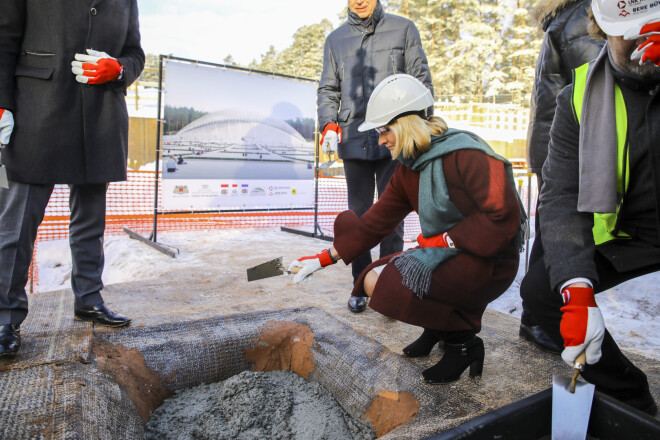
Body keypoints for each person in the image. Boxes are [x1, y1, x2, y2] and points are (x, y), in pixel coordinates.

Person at [291, 75, 525, 384]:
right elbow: (374, 224)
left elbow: (503, 216)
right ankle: (439, 329)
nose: (381, 140)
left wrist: (445, 238)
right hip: (451, 254)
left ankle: (463, 345)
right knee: (373, 277)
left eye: (385, 130)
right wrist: (322, 258)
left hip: (492, 258)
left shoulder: (467, 154)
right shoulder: (407, 170)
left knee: (396, 284)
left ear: (407, 123)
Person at [520, 0, 660, 415]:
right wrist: (577, 289)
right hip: (634, 233)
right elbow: (562, 194)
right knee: (544, 291)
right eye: (628, 32)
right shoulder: (577, 98)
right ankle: (631, 395)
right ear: (601, 28)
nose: (639, 42)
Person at [0, 0, 145, 357]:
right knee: (16, 225)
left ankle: (89, 299)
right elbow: (4, 38)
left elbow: (135, 53)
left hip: (100, 115)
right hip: (38, 109)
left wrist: (119, 70)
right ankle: (4, 317)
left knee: (91, 220)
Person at [317, 0, 433, 314]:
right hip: (354, 139)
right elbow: (328, 88)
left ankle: (390, 287)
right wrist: (328, 123)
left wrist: (421, 125)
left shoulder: (404, 29)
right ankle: (361, 284)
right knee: (358, 215)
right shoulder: (335, 40)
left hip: (393, 138)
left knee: (392, 216)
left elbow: (420, 79)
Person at [521, 0, 604, 353]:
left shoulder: (562, 18)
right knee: (560, 229)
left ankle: (537, 315)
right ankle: (543, 315)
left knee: (551, 228)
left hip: (552, 141)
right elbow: (601, 81)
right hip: (569, 144)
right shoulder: (583, 19)